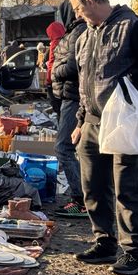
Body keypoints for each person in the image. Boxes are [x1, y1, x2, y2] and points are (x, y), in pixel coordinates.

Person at [70, 0, 138, 275]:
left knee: (127, 188)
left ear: (90, 1)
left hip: (123, 121)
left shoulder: (131, 26)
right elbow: (84, 82)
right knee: (93, 184)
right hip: (92, 122)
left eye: (78, 9)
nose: (78, 16)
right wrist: (79, 121)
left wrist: (129, 98)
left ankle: (133, 251)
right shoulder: (85, 36)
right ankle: (104, 242)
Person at [50, 16, 86, 214]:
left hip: (73, 96)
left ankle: (80, 200)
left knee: (64, 147)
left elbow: (73, 66)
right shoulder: (74, 31)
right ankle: (84, 198)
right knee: (76, 149)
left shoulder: (79, 31)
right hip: (70, 96)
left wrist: (56, 71)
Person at [45, 22, 63, 115]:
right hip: (64, 78)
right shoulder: (67, 40)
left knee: (56, 104)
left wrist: (48, 79)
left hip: (54, 78)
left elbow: (52, 62)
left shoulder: (55, 43)